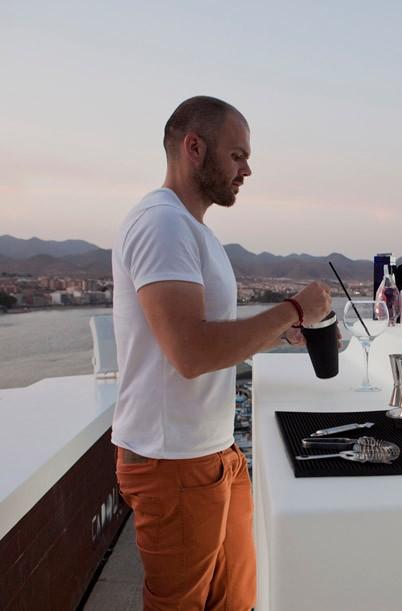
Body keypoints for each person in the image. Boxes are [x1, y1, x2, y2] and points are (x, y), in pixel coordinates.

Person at [111, 95, 332, 610]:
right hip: (172, 460)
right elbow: (189, 352)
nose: (246, 170)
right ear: (194, 147)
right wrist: (292, 310)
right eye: (237, 156)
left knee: (236, 599)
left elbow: (210, 334)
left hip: (213, 453)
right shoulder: (161, 224)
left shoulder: (193, 230)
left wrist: (281, 332)